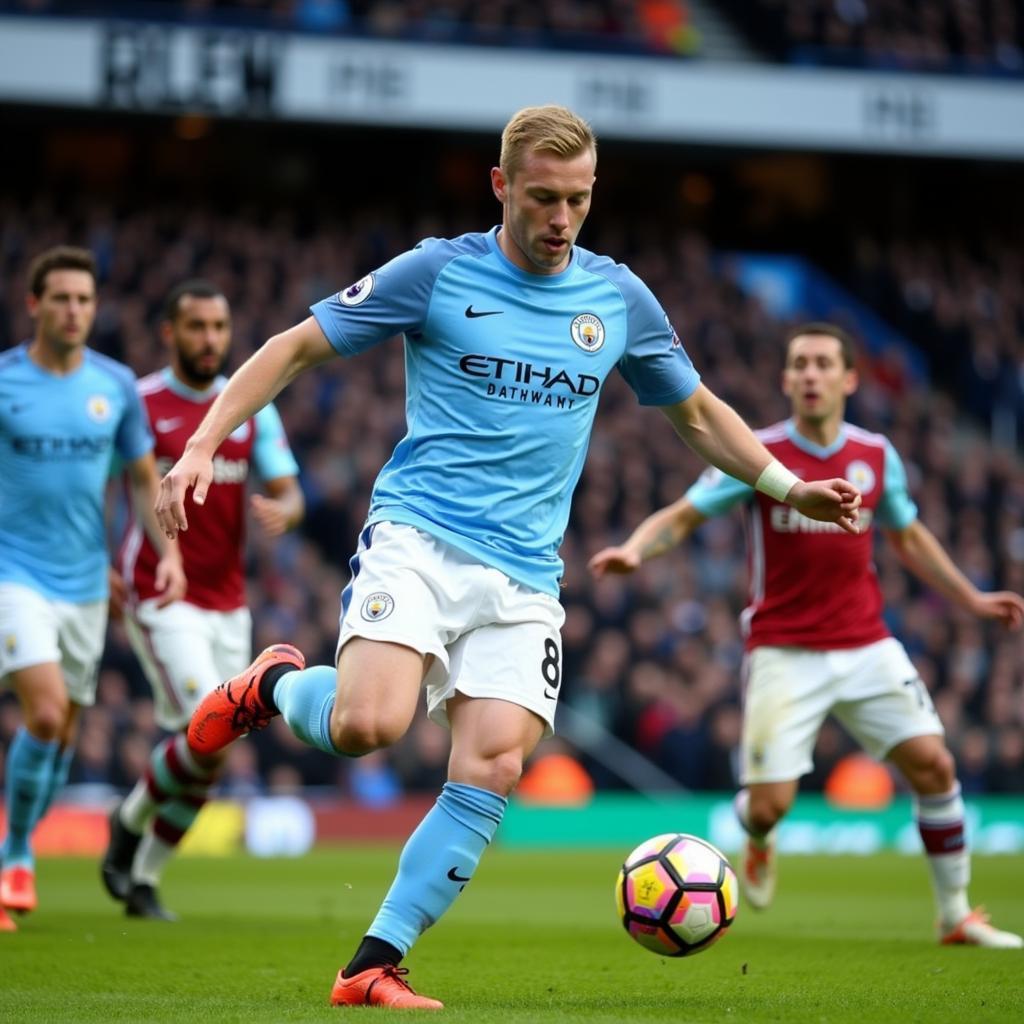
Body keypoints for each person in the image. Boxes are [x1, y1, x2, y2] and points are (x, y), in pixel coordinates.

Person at [156, 107, 861, 1007]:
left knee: (492, 764)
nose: (561, 218)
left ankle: (372, 963)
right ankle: (270, 688)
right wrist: (202, 444)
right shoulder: (439, 271)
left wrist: (784, 485)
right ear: (501, 187)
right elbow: (292, 348)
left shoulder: (617, 299)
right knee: (371, 725)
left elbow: (697, 412)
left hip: (526, 576)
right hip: (420, 537)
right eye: (542, 198)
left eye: (577, 199)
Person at [589, 321, 1024, 949]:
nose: (811, 375)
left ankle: (955, 915)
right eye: (800, 364)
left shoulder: (874, 456)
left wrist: (971, 597)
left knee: (934, 765)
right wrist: (634, 549)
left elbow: (907, 534)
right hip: (784, 652)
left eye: (823, 363)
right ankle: (759, 840)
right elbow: (683, 514)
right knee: (767, 807)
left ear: (849, 378)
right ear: (786, 378)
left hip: (867, 643)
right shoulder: (757, 455)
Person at [100, 280, 304, 920]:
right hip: (161, 590)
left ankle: (143, 881)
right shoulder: (139, 402)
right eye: (196, 327)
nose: (210, 340)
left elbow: (291, 489)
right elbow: (97, 486)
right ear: (170, 332)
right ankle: (130, 821)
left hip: (228, 600)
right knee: (205, 722)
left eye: (219, 327)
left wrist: (286, 512)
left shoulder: (249, 406)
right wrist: (96, 562)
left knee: (217, 739)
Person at [0, 246, 185, 933]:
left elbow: (141, 479)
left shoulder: (114, 387)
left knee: (63, 731)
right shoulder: (6, 383)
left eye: (84, 299)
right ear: (35, 305)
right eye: (61, 299)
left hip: (84, 584)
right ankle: (16, 852)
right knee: (45, 713)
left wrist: (162, 554)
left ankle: (21, 836)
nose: (74, 310)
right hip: (13, 574)